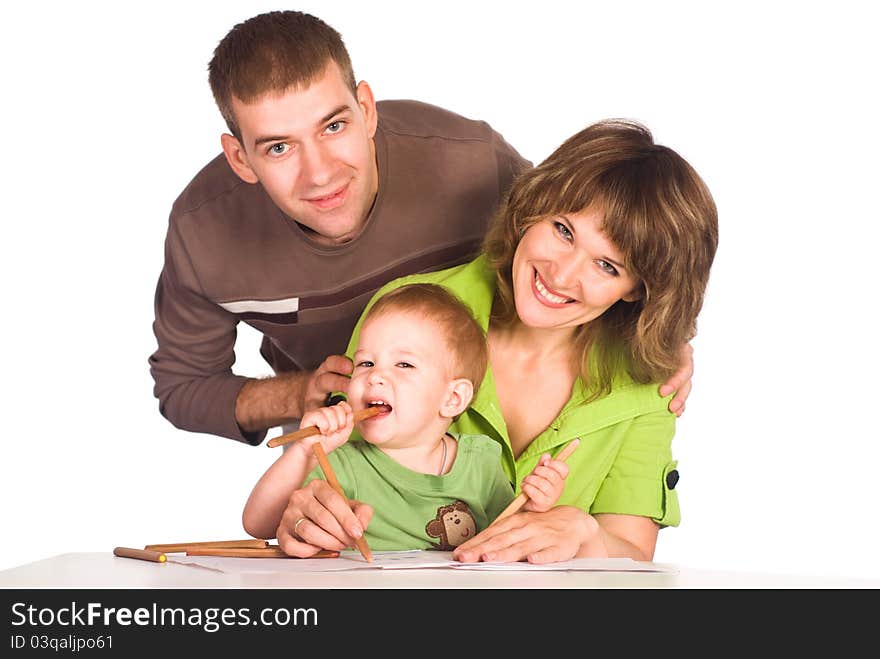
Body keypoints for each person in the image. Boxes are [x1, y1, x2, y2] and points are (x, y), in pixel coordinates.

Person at [148, 10, 694, 448]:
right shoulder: (203, 234)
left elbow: (592, 240)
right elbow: (183, 388)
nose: (320, 174)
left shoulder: (472, 161)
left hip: (484, 424)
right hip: (337, 438)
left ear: (366, 107)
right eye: (279, 147)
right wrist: (301, 393)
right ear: (240, 159)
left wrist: (665, 329)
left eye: (334, 126)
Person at [274, 119, 718, 564]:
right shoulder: (403, 314)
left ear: (637, 289)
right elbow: (324, 472)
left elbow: (632, 552)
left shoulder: (648, 387)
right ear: (535, 208)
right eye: (563, 230)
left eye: (607, 266)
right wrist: (308, 513)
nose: (562, 275)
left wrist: (586, 534)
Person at [242, 283, 570, 551]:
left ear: (453, 398)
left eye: (404, 365)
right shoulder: (341, 463)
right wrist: (302, 452)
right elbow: (258, 525)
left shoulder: (480, 462)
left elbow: (503, 539)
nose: (375, 377)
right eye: (366, 363)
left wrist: (532, 508)